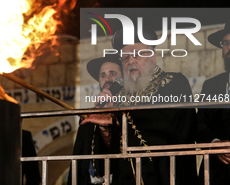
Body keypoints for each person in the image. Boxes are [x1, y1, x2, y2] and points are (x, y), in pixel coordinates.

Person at [81, 28, 199, 185]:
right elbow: (114, 149)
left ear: (153, 56)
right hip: (128, 178)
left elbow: (168, 125)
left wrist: (118, 120)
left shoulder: (174, 82)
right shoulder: (120, 95)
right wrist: (105, 128)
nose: (130, 61)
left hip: (167, 175)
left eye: (136, 55)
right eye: (125, 58)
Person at [67, 55, 123, 185]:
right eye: (102, 75)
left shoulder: (131, 111)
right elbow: (79, 157)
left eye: (113, 73)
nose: (107, 79)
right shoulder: (89, 116)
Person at [197, 21, 230, 184]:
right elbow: (199, 124)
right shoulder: (211, 85)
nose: (229, 48)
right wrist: (215, 144)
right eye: (226, 43)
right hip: (217, 174)